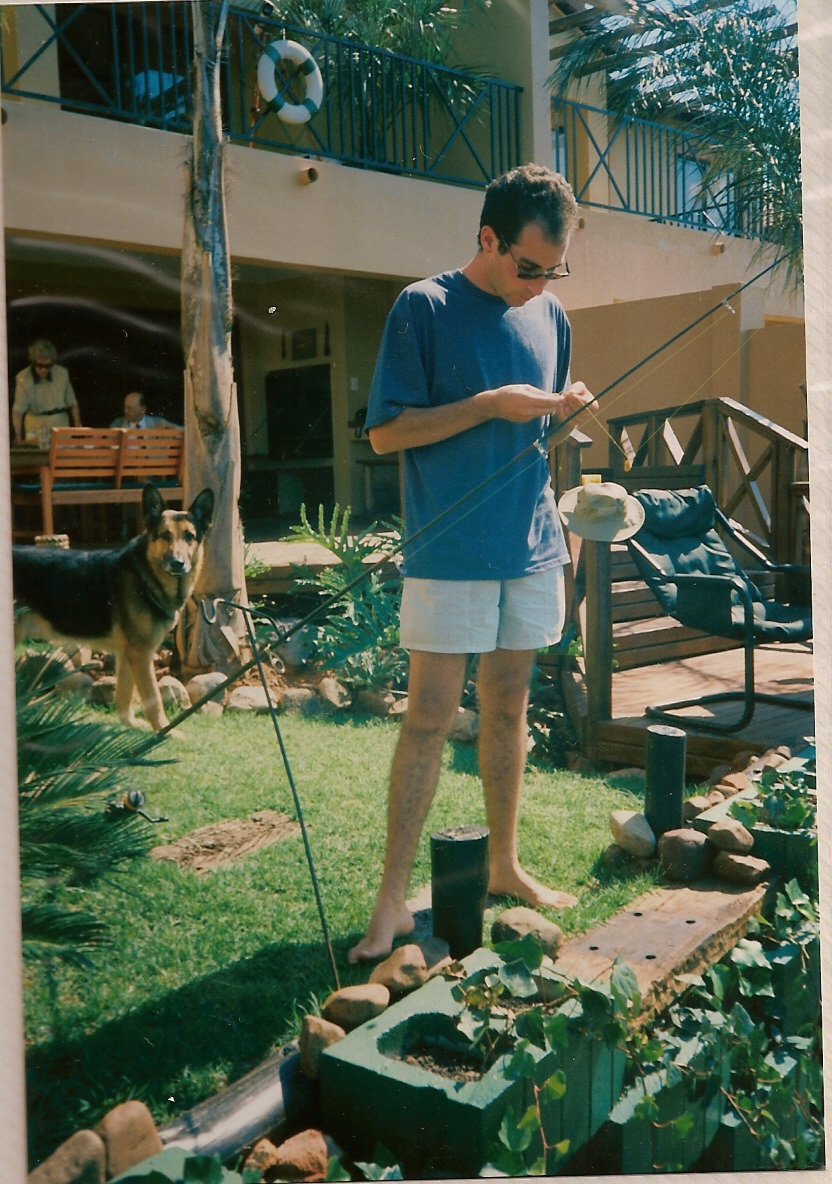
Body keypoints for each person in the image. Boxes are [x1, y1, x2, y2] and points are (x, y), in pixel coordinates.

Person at [349, 163, 598, 964]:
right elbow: (385, 434)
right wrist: (491, 403)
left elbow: (537, 440)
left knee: (510, 705)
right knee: (428, 717)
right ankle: (391, 901)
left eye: (552, 270)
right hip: (449, 553)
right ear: (487, 238)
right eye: (528, 267)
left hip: (529, 545)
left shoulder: (551, 316)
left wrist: (567, 416)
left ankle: (504, 865)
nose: (538, 284)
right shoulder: (423, 307)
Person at [12, 338, 81, 444]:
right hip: (35, 429)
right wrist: (18, 436)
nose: (43, 370)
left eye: (47, 366)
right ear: (33, 362)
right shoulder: (23, 378)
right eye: (40, 366)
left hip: (61, 427)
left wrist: (78, 425)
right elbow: (18, 411)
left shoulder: (62, 373)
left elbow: (72, 402)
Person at [110, 391, 179, 429]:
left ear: (143, 409)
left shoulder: (157, 422)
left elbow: (185, 431)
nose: (126, 411)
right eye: (125, 407)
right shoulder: (117, 424)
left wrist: (171, 427)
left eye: (130, 408)